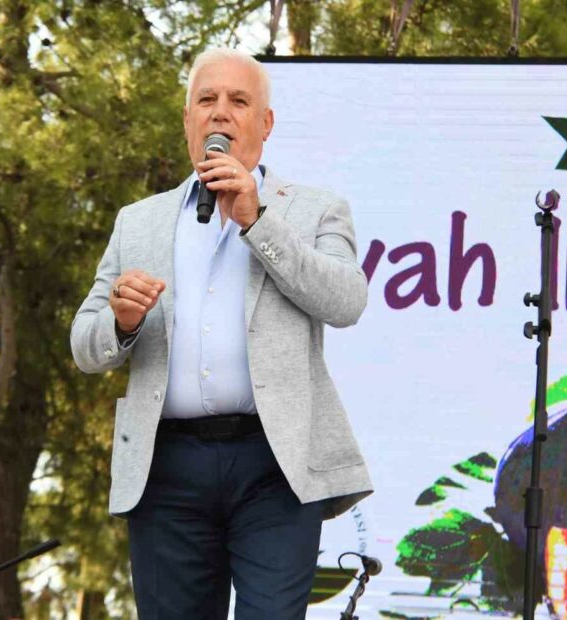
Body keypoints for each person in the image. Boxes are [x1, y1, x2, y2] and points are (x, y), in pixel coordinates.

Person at [70, 47, 372, 619]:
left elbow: (346, 301)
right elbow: (85, 344)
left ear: (266, 123)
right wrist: (121, 322)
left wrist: (257, 221)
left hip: (275, 466)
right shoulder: (139, 221)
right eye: (206, 99)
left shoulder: (315, 210)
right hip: (166, 469)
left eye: (239, 100)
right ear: (188, 119)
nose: (220, 112)